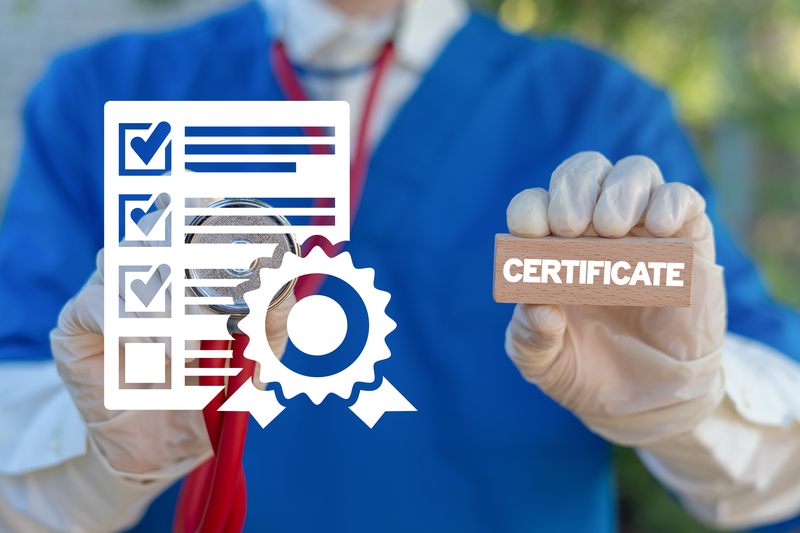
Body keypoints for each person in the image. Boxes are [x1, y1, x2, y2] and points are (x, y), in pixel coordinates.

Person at [0, 0, 799, 531]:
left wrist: (694, 403)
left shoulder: (599, 110)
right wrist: (92, 430)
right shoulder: (101, 96)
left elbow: (783, 466)